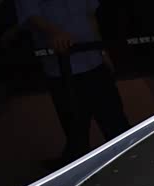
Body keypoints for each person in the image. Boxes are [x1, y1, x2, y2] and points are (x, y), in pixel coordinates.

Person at [15, 0, 129, 165]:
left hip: (92, 60)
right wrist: (53, 32)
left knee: (115, 120)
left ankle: (127, 161)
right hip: (62, 68)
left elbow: (90, 15)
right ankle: (78, 165)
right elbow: (31, 15)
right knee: (76, 129)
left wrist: (102, 51)